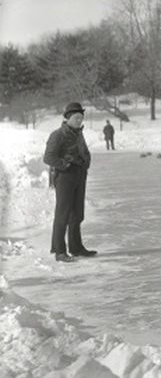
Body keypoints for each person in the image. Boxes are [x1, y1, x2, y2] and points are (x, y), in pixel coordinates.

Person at [43, 102, 98, 262]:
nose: (79, 120)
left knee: (77, 214)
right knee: (63, 214)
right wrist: (66, 164)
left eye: (81, 118)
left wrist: (85, 162)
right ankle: (59, 251)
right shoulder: (58, 134)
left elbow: (85, 152)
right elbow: (48, 157)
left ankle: (76, 248)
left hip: (79, 176)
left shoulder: (79, 134)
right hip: (64, 177)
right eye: (76, 118)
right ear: (68, 118)